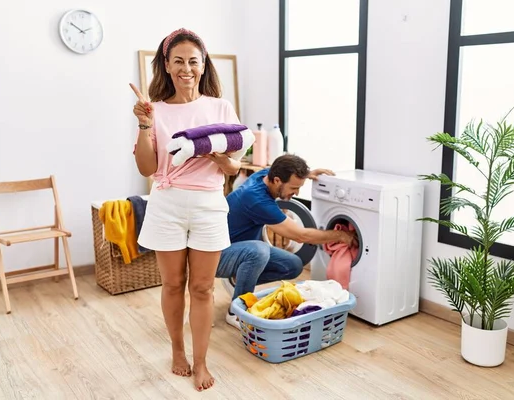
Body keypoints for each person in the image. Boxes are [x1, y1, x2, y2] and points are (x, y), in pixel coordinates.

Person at [130, 28, 244, 392]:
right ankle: (177, 351)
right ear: (166, 65)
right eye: (177, 61)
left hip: (209, 205)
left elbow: (233, 169)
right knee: (173, 284)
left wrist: (219, 156)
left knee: (202, 287)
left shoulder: (220, 107)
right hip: (167, 203)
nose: (186, 68)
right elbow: (147, 169)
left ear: (203, 64)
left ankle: (201, 361)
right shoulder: (156, 110)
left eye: (193, 61)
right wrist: (145, 124)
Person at [215, 154, 357, 327]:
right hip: (215, 256)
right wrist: (341, 236)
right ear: (277, 180)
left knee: (293, 264)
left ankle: (240, 278)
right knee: (259, 250)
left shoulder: (265, 176)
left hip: (237, 248)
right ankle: (236, 312)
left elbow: (283, 168)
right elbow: (301, 235)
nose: (296, 193)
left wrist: (308, 174)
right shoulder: (255, 199)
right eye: (294, 188)